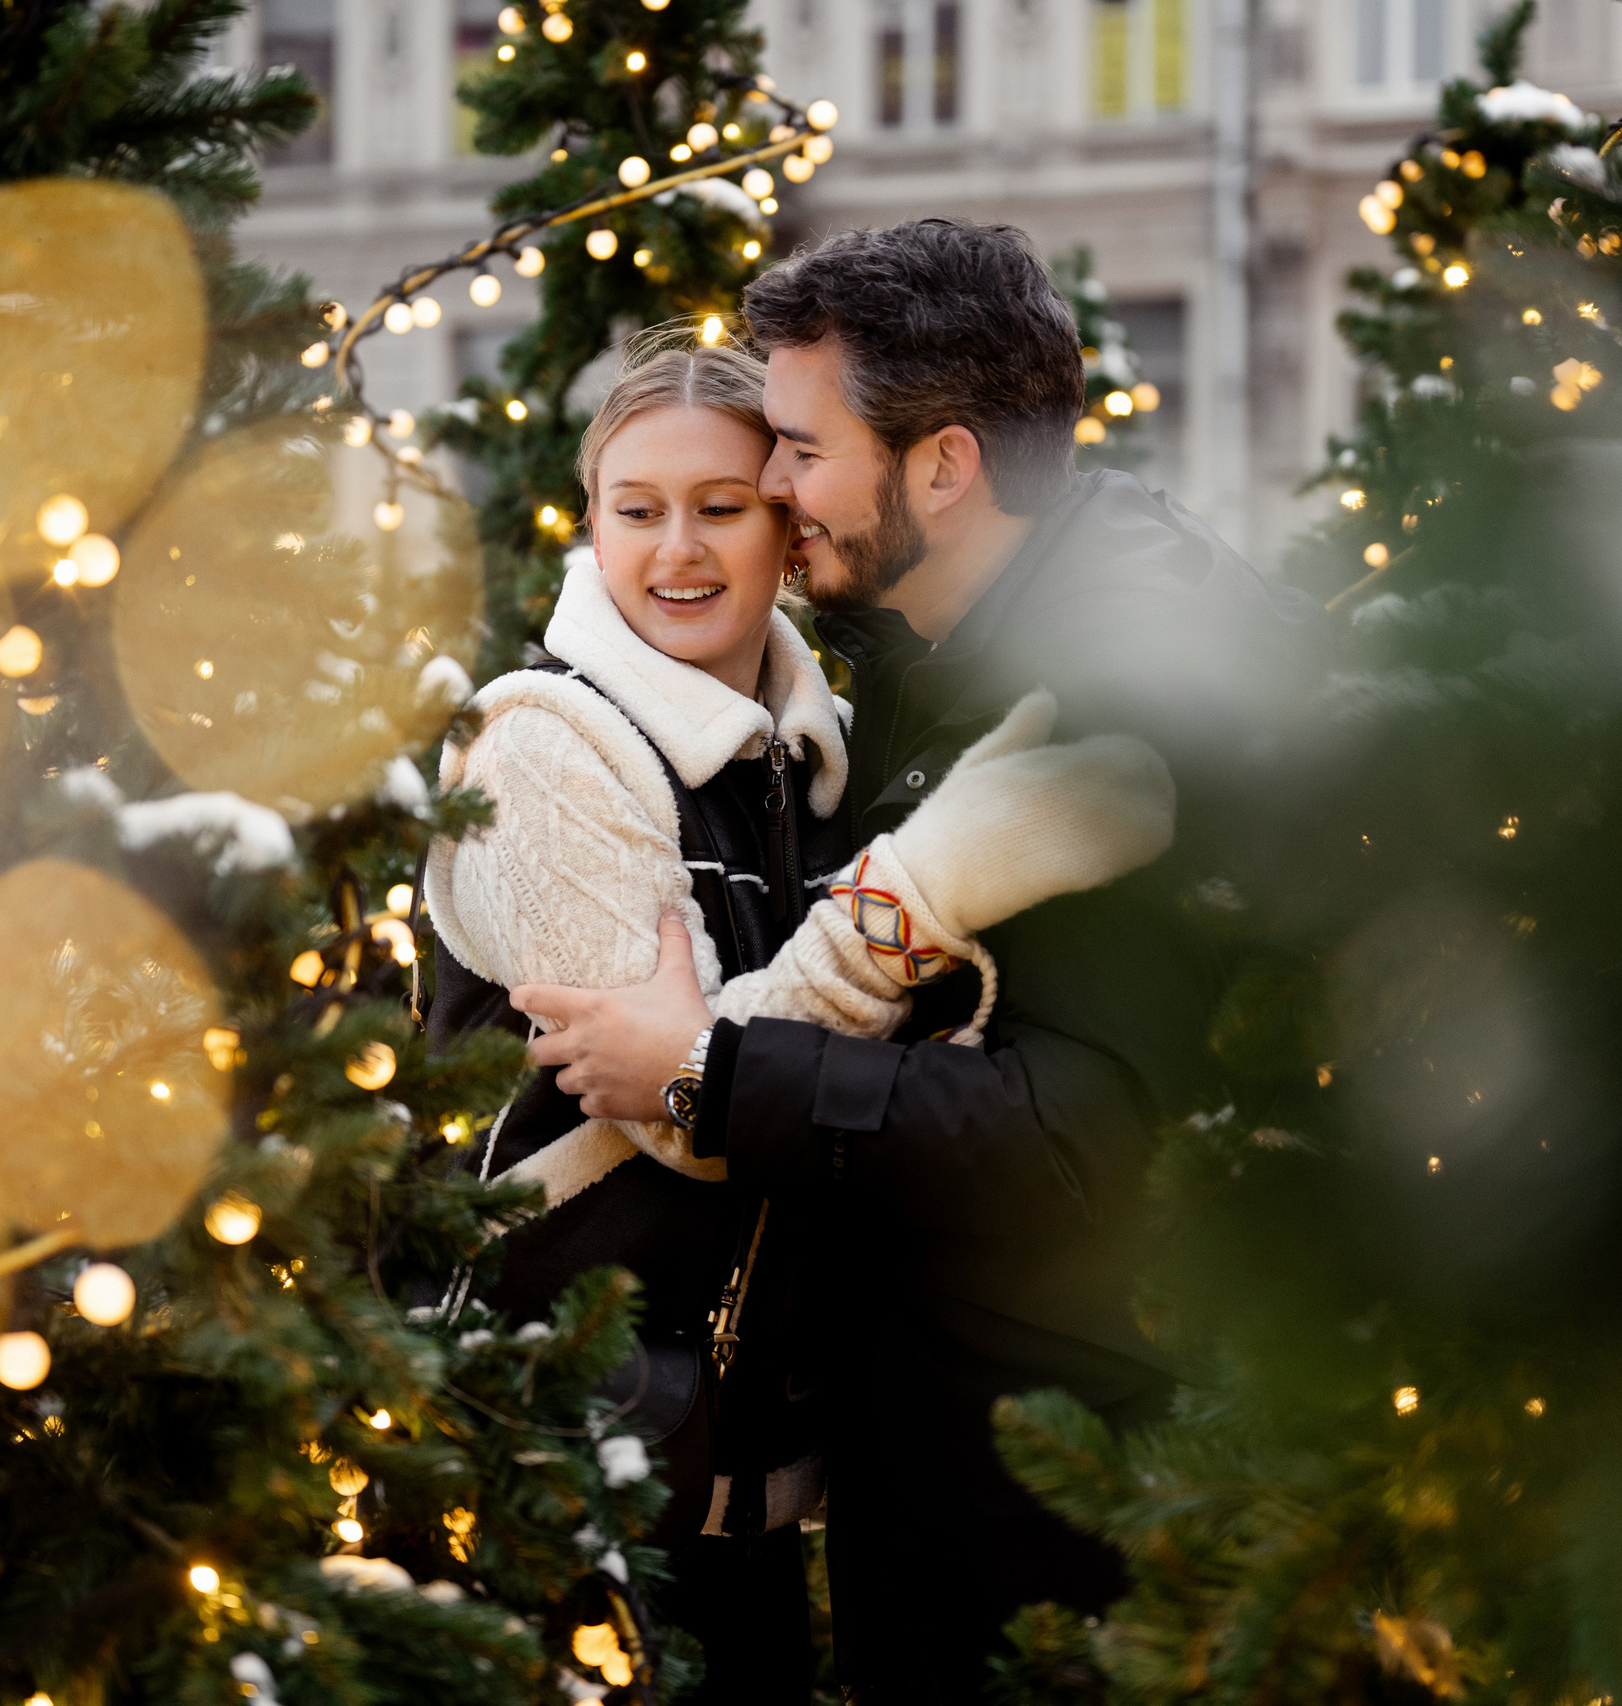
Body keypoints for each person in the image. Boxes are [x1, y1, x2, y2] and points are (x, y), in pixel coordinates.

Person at [511, 222, 1323, 1700]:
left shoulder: (1110, 697)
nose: (769, 487)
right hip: (952, 1447)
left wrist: (715, 1072)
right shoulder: (925, 643)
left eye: (803, 451)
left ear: (942, 466)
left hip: (1063, 1497)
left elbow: (1088, 1139)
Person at [418, 333, 1174, 1702]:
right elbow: (678, 1115)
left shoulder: (809, 757)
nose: (676, 551)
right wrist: (916, 892)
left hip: (740, 1509)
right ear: (589, 523)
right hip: (560, 1492)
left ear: (786, 525)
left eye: (721, 505)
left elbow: (738, 1067)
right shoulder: (536, 747)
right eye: (634, 509)